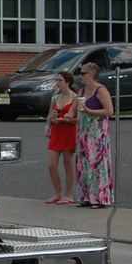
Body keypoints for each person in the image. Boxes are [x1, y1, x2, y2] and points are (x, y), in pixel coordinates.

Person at [75, 62, 114, 208]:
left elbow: (109, 111)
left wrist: (90, 111)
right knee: (83, 163)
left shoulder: (101, 90)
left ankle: (99, 198)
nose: (80, 76)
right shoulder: (82, 91)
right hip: (83, 133)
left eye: (83, 73)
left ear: (91, 74)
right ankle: (85, 196)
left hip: (97, 134)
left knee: (96, 164)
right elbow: (74, 108)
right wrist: (68, 116)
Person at [45, 71, 77, 204]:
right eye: (57, 80)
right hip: (57, 132)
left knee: (68, 163)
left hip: (68, 131)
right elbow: (49, 116)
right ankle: (58, 193)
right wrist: (52, 118)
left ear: (67, 82)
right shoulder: (55, 98)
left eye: (60, 80)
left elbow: (78, 118)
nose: (57, 83)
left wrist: (65, 120)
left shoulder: (75, 98)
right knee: (51, 165)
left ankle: (69, 194)